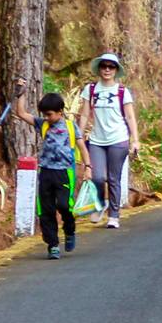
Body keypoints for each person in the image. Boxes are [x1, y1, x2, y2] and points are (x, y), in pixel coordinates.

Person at [79, 52, 139, 230]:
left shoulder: (122, 92)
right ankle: (99, 204)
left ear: (116, 70)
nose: (107, 70)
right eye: (104, 66)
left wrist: (135, 140)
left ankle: (113, 215)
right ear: (99, 69)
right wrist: (78, 135)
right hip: (97, 139)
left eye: (111, 67)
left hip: (118, 139)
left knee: (114, 178)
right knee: (97, 177)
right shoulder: (90, 89)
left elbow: (130, 117)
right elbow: (84, 114)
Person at [34, 91, 86, 259]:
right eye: (44, 115)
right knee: (46, 209)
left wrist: (88, 167)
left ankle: (69, 230)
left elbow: (81, 147)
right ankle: (53, 244)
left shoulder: (70, 127)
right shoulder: (43, 125)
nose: (47, 117)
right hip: (46, 172)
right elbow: (21, 114)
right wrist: (19, 94)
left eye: (49, 114)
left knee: (64, 206)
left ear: (60, 112)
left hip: (64, 172)